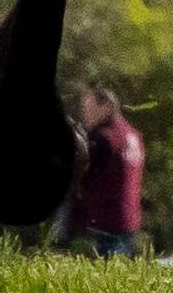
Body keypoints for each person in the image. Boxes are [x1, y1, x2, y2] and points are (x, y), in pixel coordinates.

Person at [64, 85, 145, 256]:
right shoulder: (132, 135)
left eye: (89, 108)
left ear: (107, 107)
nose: (84, 114)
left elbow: (77, 165)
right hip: (128, 218)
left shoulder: (105, 137)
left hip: (106, 220)